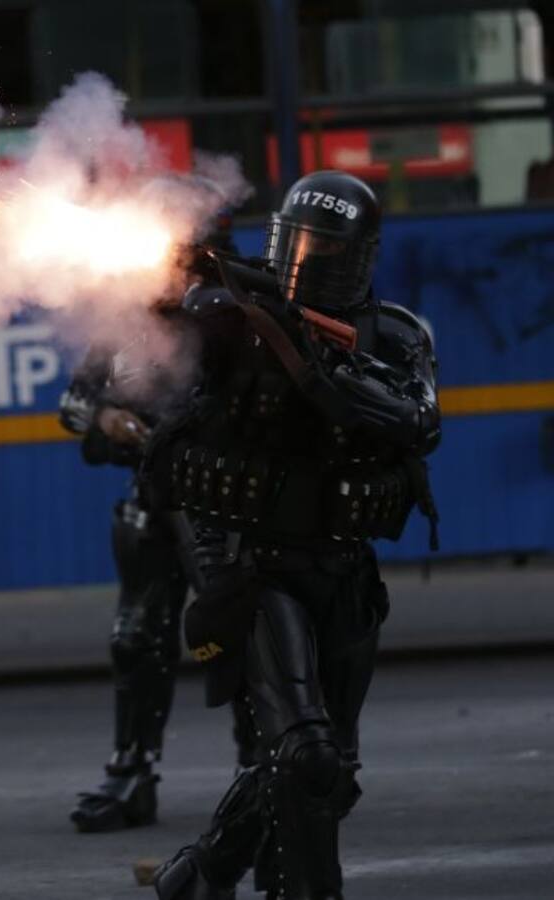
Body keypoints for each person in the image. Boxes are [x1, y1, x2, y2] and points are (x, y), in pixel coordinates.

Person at [147, 170, 440, 899]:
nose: (307, 263)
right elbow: (163, 388)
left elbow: (417, 421)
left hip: (345, 570)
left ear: (359, 256)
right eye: (296, 245)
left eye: (327, 251)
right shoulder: (228, 316)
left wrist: (317, 362)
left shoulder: (398, 335)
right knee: (305, 753)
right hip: (260, 566)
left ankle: (201, 873)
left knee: (329, 771)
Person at [60, 222, 257, 834]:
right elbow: (74, 412)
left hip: (220, 509)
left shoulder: (237, 320)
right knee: (136, 636)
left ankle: (263, 768)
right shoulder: (124, 324)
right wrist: (110, 421)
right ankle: (132, 772)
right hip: (150, 502)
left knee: (238, 636)